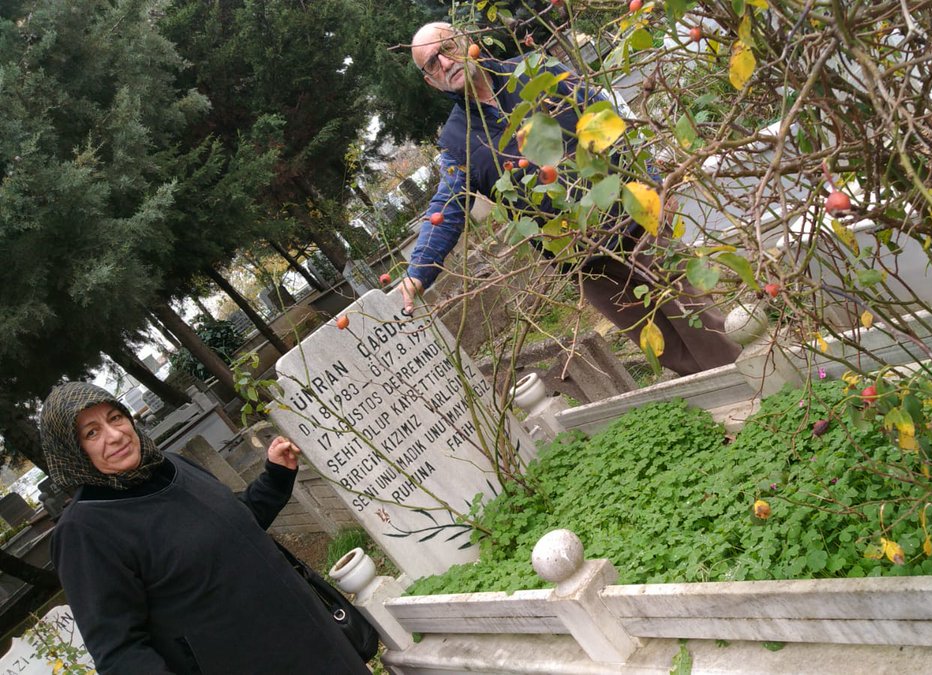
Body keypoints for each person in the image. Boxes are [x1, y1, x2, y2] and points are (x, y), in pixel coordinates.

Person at [400, 22, 742, 376]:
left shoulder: (534, 71)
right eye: (431, 62)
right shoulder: (458, 139)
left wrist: (652, 180)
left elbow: (601, 116)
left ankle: (760, 390)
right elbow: (448, 205)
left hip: (631, 218)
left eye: (448, 46)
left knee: (696, 316)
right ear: (431, 81)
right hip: (581, 258)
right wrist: (418, 272)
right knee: (663, 346)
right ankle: (722, 405)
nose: (445, 61)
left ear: (467, 41)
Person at [41, 381, 370, 674]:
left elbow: (236, 527)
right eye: (91, 433)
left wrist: (276, 477)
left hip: (314, 637)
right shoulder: (85, 530)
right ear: (72, 451)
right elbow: (120, 652)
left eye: (115, 417)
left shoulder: (171, 466)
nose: (115, 435)